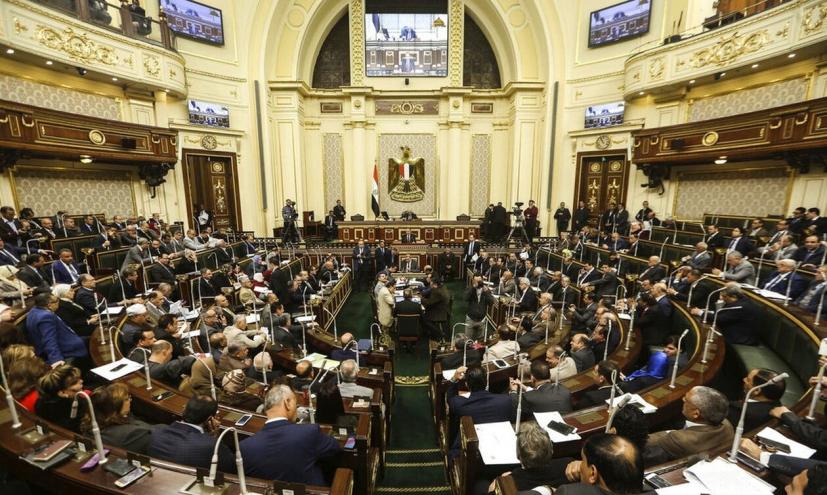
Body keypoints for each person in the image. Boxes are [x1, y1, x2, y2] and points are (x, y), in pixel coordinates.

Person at [240, 384, 342, 485]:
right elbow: (335, 447)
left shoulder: (245, 447)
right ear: (287, 402)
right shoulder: (309, 432)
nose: (296, 409)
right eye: (296, 403)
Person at [644, 386, 733, 465]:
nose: (682, 399)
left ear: (695, 414)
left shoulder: (678, 439)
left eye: (686, 400)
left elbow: (645, 442)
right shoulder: (727, 425)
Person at [149, 395, 236, 472]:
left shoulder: (157, 431)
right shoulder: (211, 445)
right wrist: (215, 438)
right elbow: (232, 468)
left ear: (184, 410)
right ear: (210, 419)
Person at [446, 365, 512, 456]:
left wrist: (454, 379)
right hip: (502, 449)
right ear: (486, 382)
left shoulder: (459, 404)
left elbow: (450, 399)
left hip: (472, 453)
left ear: (467, 384)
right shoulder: (506, 400)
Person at [492, 421, 573, 493]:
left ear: (518, 454)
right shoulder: (570, 467)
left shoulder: (509, 483)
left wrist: (498, 486)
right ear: (551, 450)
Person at [554, 434, 644, 495]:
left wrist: (550, 490)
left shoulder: (568, 492)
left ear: (593, 473)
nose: (580, 464)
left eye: (583, 460)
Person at [88, 382, 155, 454]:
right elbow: (155, 433)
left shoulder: (90, 426)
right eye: (126, 399)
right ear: (115, 406)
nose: (130, 400)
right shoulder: (132, 433)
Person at [25, 293, 88, 368]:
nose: (59, 303)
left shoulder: (34, 311)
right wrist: (56, 360)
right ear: (49, 305)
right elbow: (49, 339)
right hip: (68, 350)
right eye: (57, 301)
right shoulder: (46, 316)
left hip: (65, 341)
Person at [691, 285, 761, 345]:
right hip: (734, 328)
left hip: (740, 337)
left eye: (724, 296)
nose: (721, 298)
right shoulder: (740, 300)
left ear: (733, 296)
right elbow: (723, 313)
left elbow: (720, 319)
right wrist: (706, 312)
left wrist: (700, 313)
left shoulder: (740, 307)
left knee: (705, 336)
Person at [726, 368, 785, 433]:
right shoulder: (778, 409)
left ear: (756, 390)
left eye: (748, 380)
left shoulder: (738, 410)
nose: (744, 379)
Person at [35, 364, 87, 432]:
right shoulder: (78, 404)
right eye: (74, 382)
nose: (81, 381)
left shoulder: (40, 402)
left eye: (79, 378)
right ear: (62, 393)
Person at [465, 275, 496, 341]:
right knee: (468, 340)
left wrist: (486, 292)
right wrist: (473, 288)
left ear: (482, 280)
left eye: (479, 281)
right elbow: (466, 298)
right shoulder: (470, 288)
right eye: (476, 281)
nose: (478, 283)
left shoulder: (486, 290)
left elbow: (491, 303)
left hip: (482, 320)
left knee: (480, 341)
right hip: (471, 318)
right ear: (473, 281)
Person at [422, 277, 450, 342]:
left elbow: (429, 303)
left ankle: (439, 334)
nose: (430, 284)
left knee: (424, 319)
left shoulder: (437, 292)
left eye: (431, 283)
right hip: (441, 308)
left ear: (434, 284)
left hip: (439, 312)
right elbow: (426, 294)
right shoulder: (441, 287)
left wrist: (420, 299)